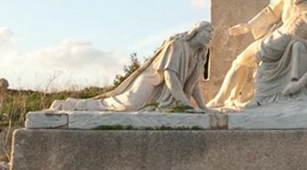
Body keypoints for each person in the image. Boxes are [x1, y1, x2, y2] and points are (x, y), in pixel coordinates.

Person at [51, 21, 213, 112]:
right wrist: (185, 105)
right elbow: (170, 76)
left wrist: (203, 107)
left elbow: (193, 84)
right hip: (151, 83)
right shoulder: (177, 45)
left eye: (212, 34)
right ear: (196, 32)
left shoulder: (200, 54)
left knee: (129, 107)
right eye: (207, 32)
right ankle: (73, 105)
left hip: (169, 94)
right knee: (127, 105)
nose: (210, 36)